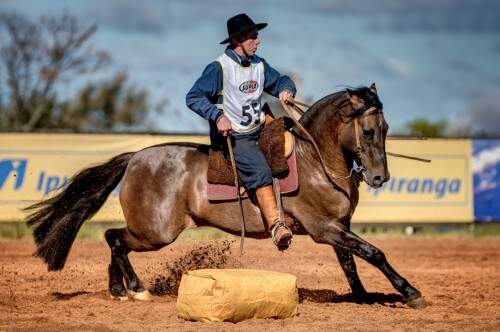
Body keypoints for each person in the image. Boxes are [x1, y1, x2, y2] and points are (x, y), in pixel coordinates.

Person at [186, 13, 296, 248]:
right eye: (253, 37)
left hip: (261, 127)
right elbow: (193, 97)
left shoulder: (260, 64)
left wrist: (286, 89)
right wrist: (217, 116)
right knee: (260, 170)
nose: (258, 41)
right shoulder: (219, 68)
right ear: (238, 40)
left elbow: (280, 81)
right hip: (236, 137)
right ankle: (276, 225)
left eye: (257, 37)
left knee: (295, 139)